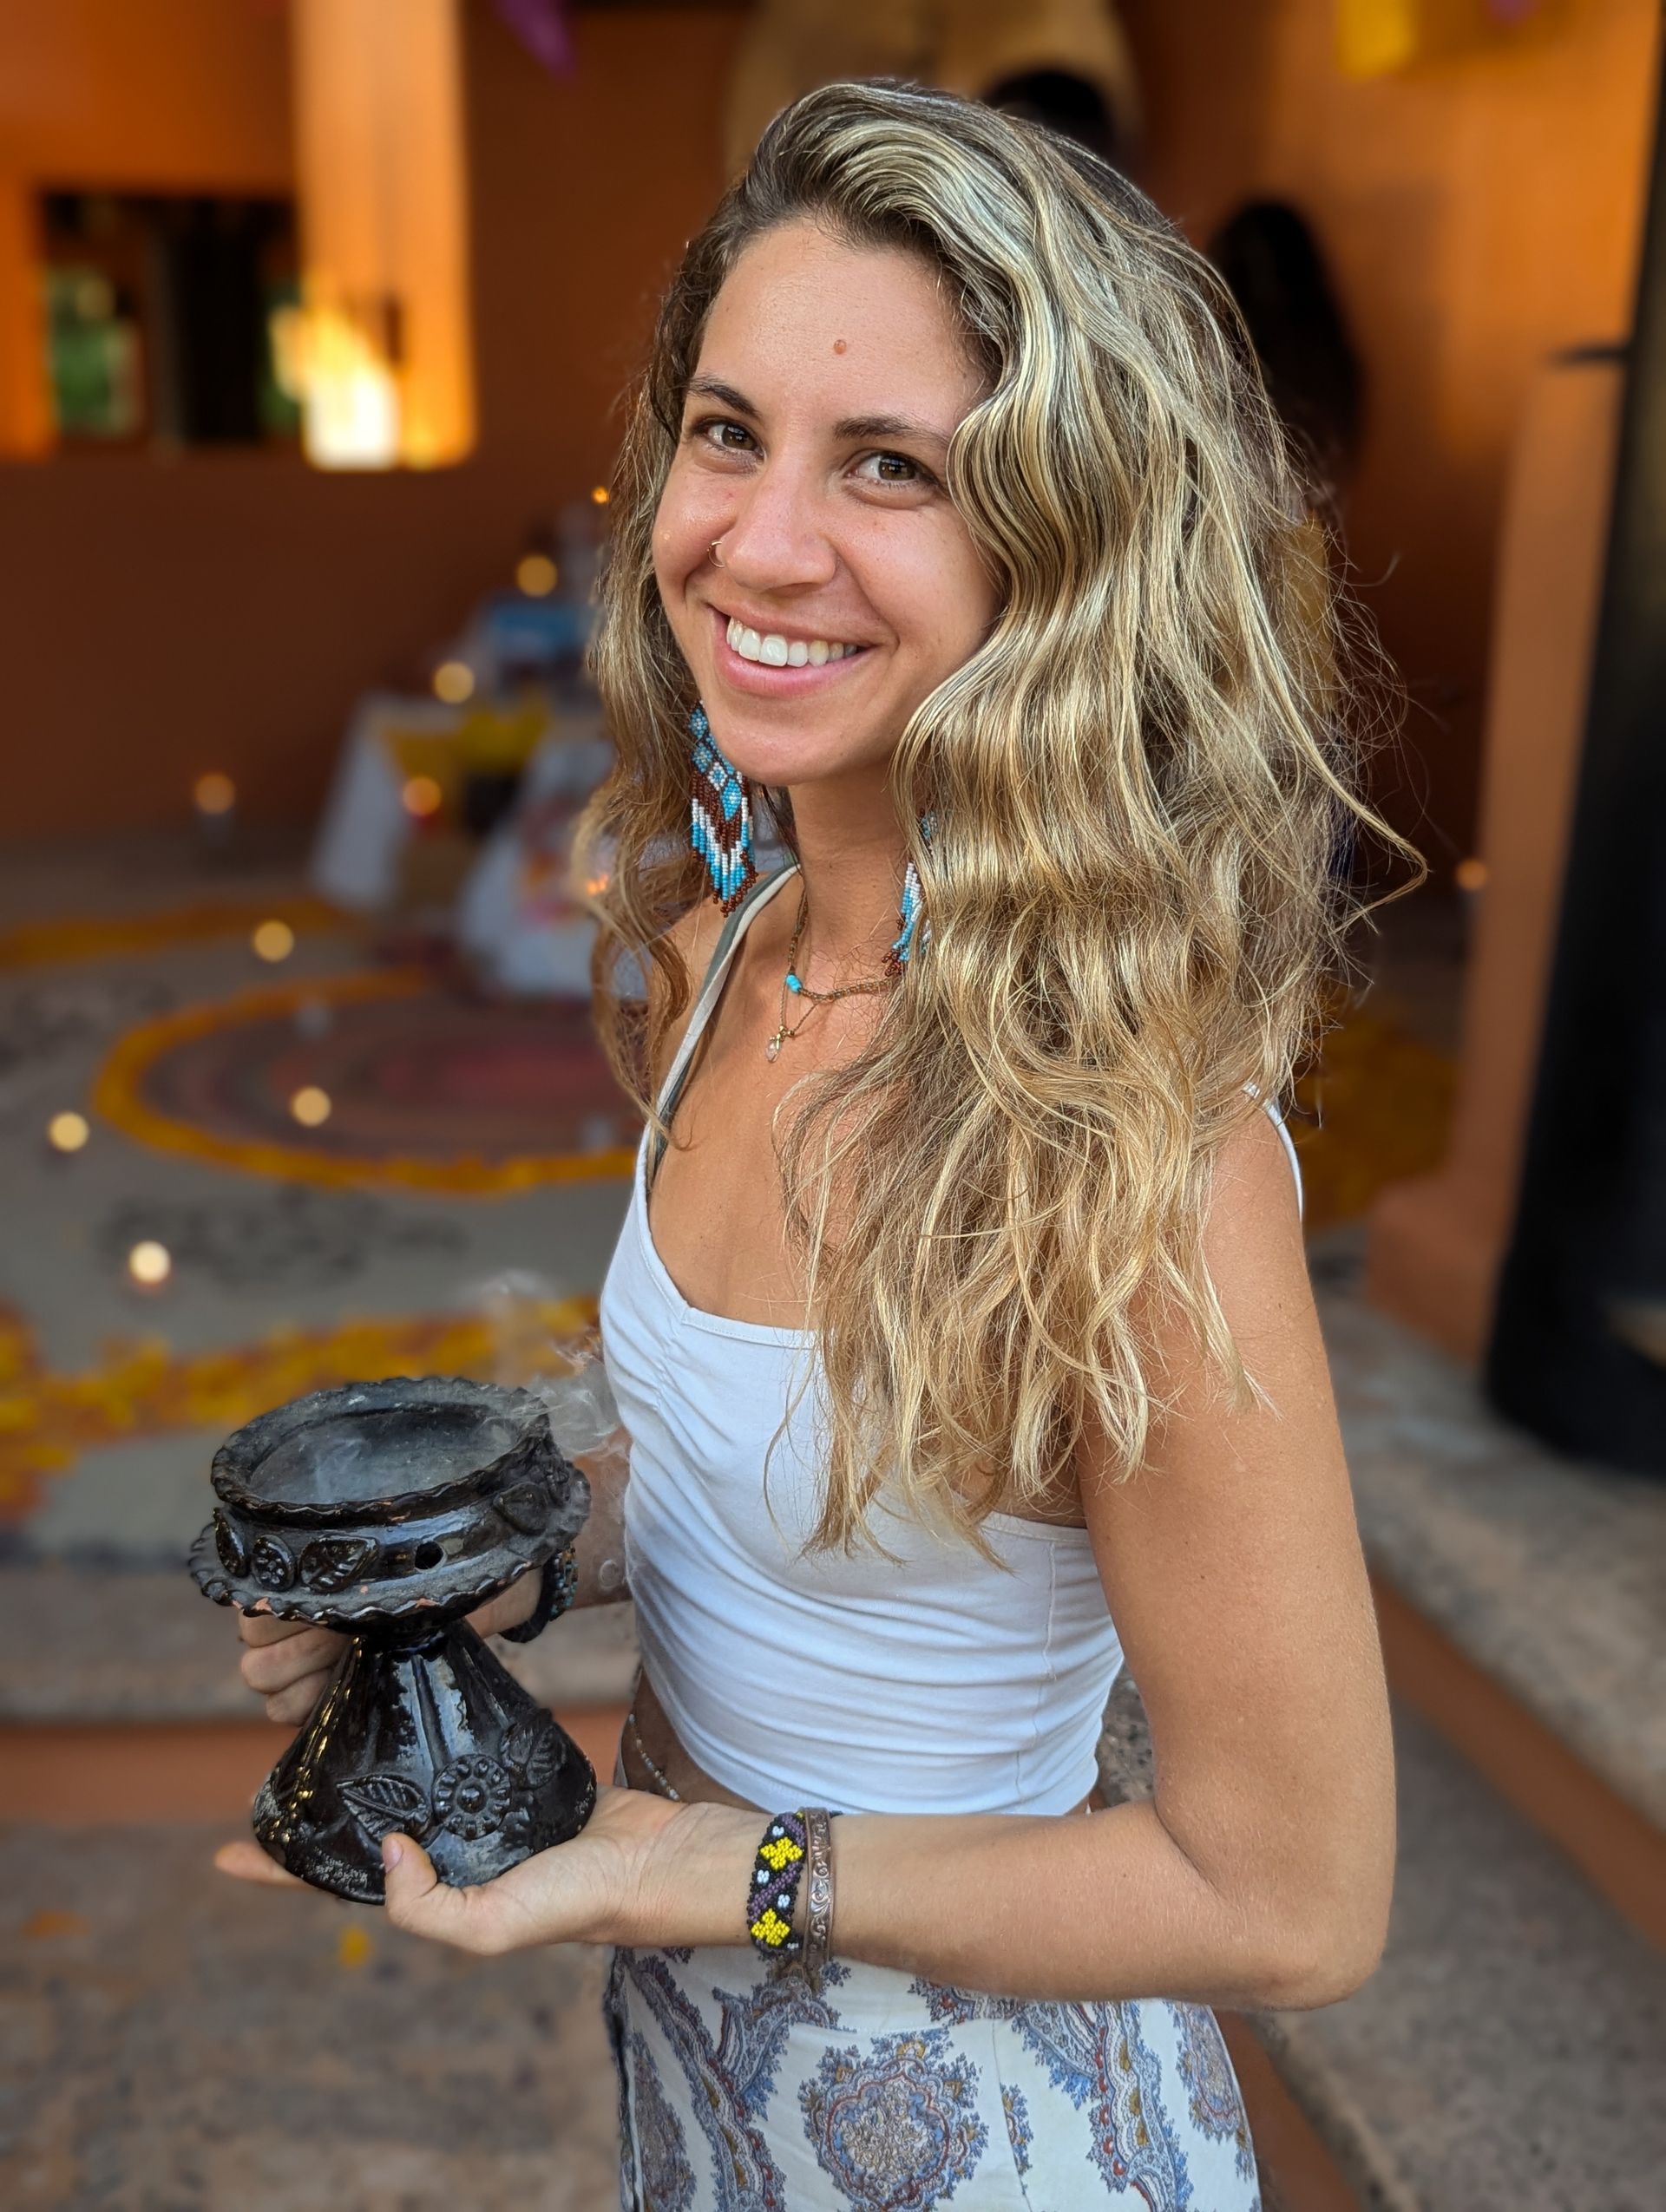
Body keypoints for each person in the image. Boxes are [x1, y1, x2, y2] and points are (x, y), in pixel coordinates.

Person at [223, 78, 1416, 2209]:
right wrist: (482, 1560)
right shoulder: (724, 942)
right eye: (726, 429)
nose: (759, 545)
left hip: (1001, 2146)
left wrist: (705, 1872)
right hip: (701, 2075)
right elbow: (778, 1478)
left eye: (891, 469)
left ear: (1067, 542)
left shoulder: (1137, 1149)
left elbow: (1294, 1900)